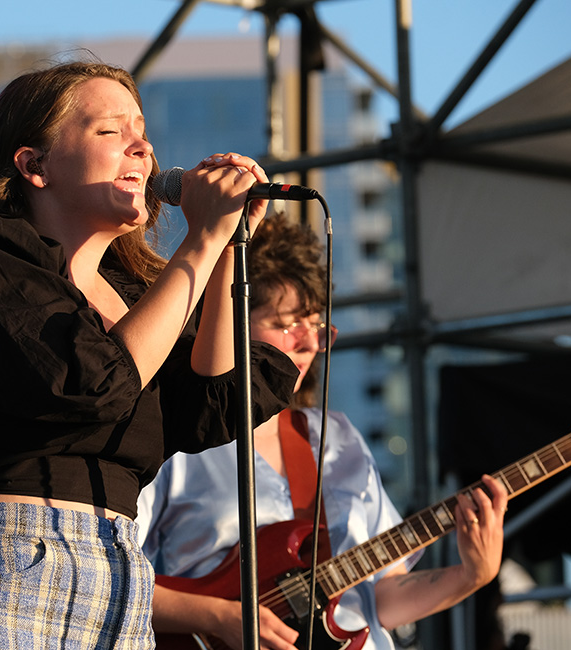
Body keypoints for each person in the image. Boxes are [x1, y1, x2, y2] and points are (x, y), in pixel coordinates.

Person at [0, 60, 300, 650]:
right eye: (112, 132)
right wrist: (201, 239)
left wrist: (225, 248)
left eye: (142, 131)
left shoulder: (138, 296)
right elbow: (94, 385)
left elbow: (213, 403)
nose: (143, 147)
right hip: (7, 560)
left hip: (118, 567)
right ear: (34, 165)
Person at [136, 215, 509, 650]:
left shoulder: (338, 440)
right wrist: (219, 616)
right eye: (287, 324)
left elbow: (380, 598)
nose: (309, 343)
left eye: (316, 328)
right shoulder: (172, 435)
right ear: (227, 316)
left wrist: (470, 575)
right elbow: (111, 574)